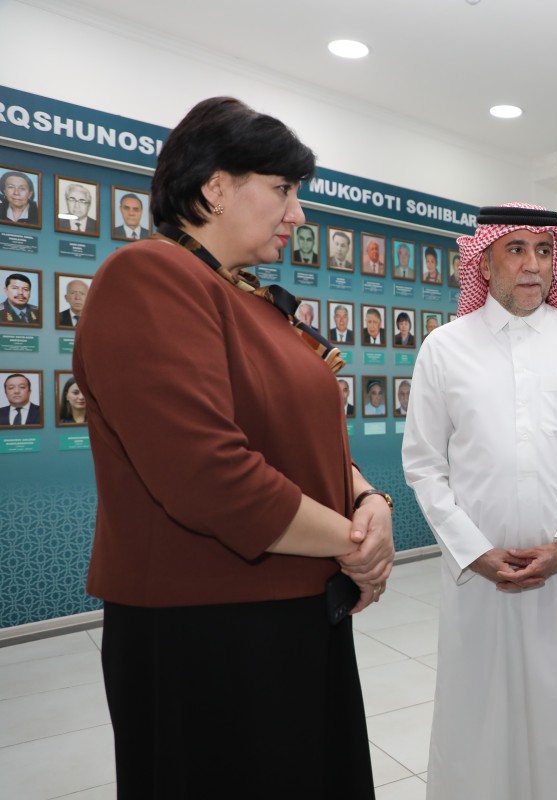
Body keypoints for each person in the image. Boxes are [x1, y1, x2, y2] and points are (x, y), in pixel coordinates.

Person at [71, 97, 393, 798]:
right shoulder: (148, 276)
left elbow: (303, 438)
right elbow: (207, 474)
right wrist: (353, 544)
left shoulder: (246, 298)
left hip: (293, 608)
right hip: (208, 629)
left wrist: (370, 499)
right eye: (282, 189)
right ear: (216, 187)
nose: (297, 214)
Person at [402, 202, 557, 800]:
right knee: (482, 728)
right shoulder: (445, 349)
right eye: (516, 249)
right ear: (484, 261)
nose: (533, 264)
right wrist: (473, 551)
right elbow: (424, 465)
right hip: (481, 584)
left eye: (544, 250)